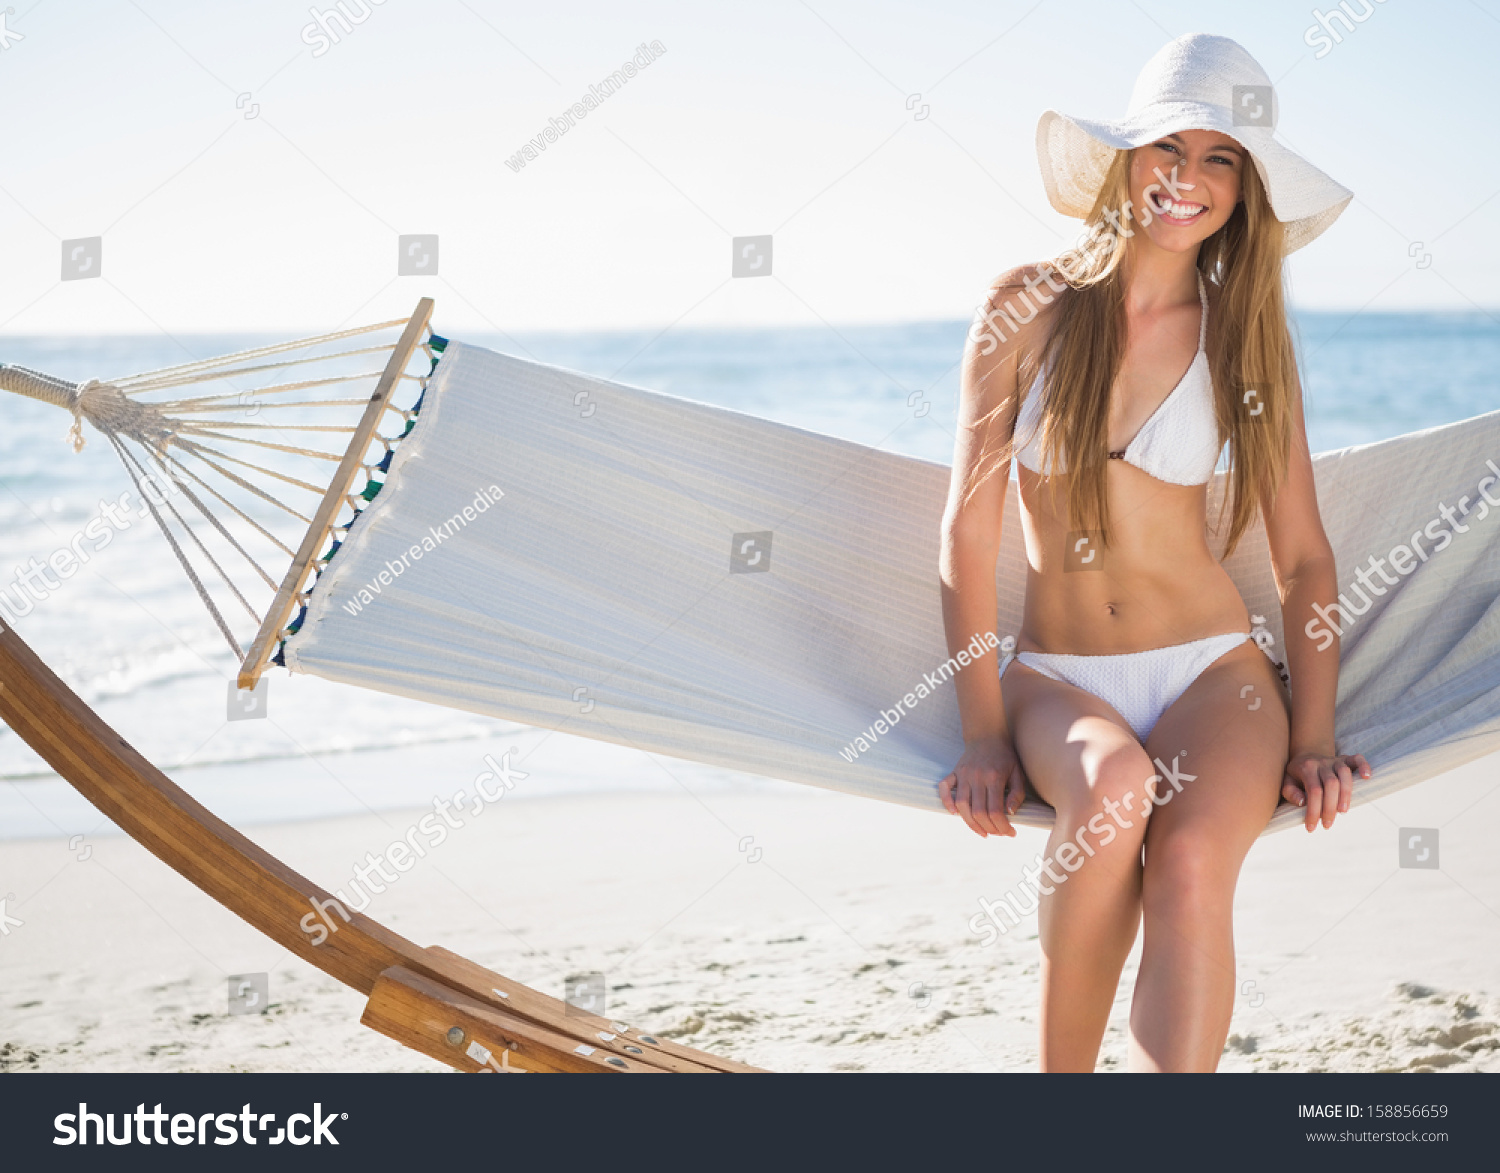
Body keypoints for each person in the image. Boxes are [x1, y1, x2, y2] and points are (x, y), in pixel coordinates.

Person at [937, 32, 1372, 1073]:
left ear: (1244, 191)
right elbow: (968, 529)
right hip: (1058, 678)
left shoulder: (1244, 337)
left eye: (1221, 158)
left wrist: (1312, 738)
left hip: (1215, 673)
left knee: (1185, 868)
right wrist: (985, 735)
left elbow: (1305, 560)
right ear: (1126, 159)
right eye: (1168, 148)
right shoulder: (1027, 308)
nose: (1188, 178)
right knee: (1116, 791)